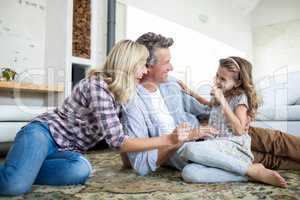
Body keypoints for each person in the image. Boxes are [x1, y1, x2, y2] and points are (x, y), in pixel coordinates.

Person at [0, 40, 206, 196]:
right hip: (45, 134)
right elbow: (118, 142)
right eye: (142, 65)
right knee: (14, 186)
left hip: (69, 151)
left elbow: (125, 139)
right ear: (129, 65)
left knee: (81, 171)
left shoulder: (125, 92)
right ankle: (19, 171)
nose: (144, 71)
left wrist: (188, 91)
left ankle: (23, 167)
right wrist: (170, 139)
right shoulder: (98, 86)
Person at [121, 32, 300, 181]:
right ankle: (253, 170)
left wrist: (240, 112)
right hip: (196, 149)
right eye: (166, 62)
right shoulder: (134, 102)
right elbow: (140, 161)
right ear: (146, 65)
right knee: (268, 158)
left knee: (275, 141)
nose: (172, 67)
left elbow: (205, 110)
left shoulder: (172, 84)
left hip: (215, 133)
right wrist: (182, 138)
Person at [178, 56, 288, 187]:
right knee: (189, 173)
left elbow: (240, 130)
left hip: (234, 147)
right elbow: (209, 106)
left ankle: (247, 169)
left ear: (237, 83)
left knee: (189, 148)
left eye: (223, 79)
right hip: (219, 149)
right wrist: (191, 93)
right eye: (217, 75)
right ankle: (251, 174)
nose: (217, 80)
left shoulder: (240, 98)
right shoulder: (223, 94)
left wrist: (223, 102)